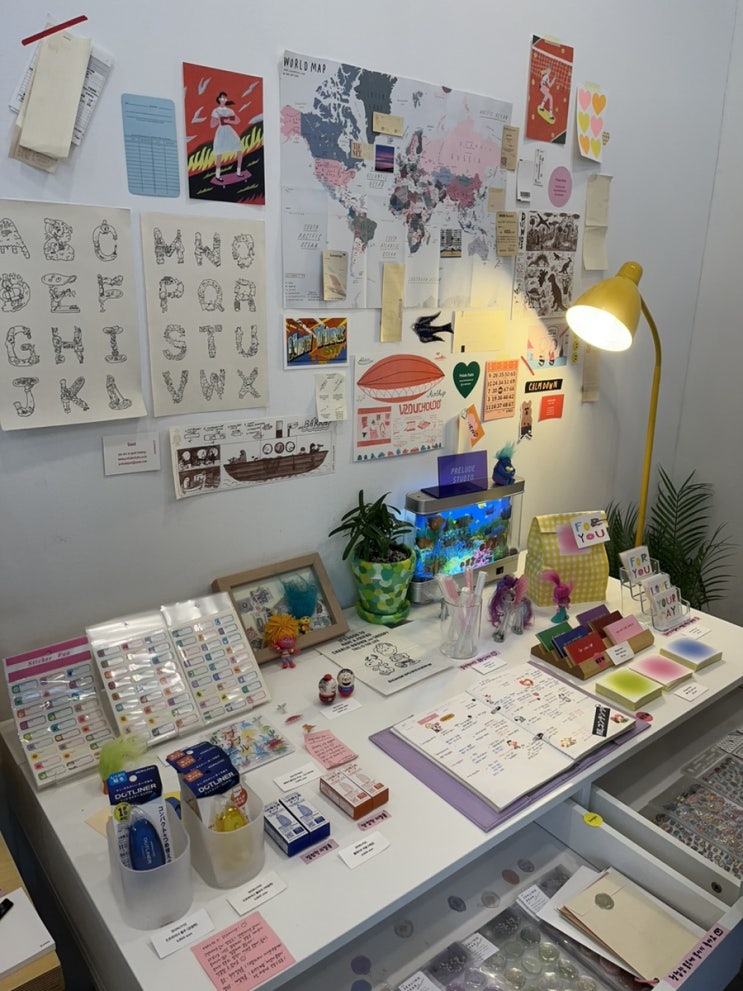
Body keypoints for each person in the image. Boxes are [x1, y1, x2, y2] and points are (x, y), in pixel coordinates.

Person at [210, 91, 244, 182]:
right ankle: (217, 175)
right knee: (219, 153)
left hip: (229, 131)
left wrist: (228, 121)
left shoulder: (230, 111)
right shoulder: (215, 111)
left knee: (239, 148)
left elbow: (237, 120)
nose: (223, 99)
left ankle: (238, 172)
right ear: (218, 99)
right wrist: (218, 120)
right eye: (222, 98)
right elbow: (212, 125)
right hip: (221, 132)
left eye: (225, 98)